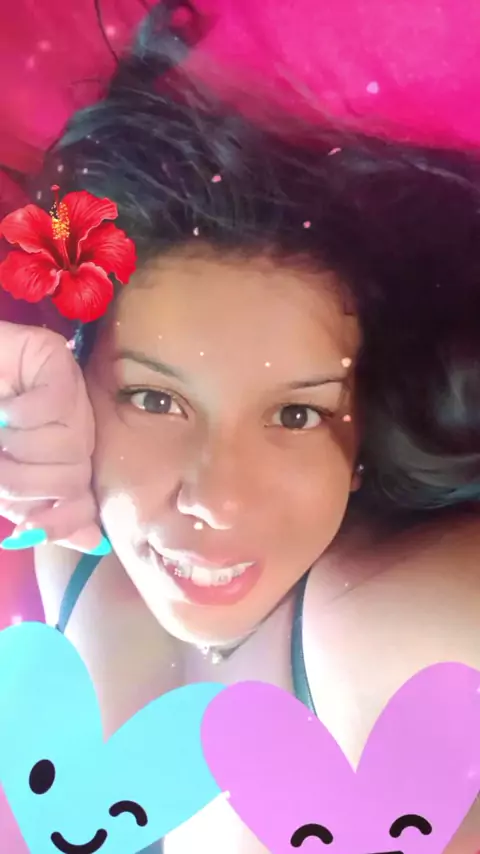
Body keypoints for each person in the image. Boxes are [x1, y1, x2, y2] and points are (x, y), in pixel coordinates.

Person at [2, 4, 480, 851]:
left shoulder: (394, 625)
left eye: (296, 415)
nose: (216, 500)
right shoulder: (70, 545)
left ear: (363, 442)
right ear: (80, 390)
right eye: (155, 400)